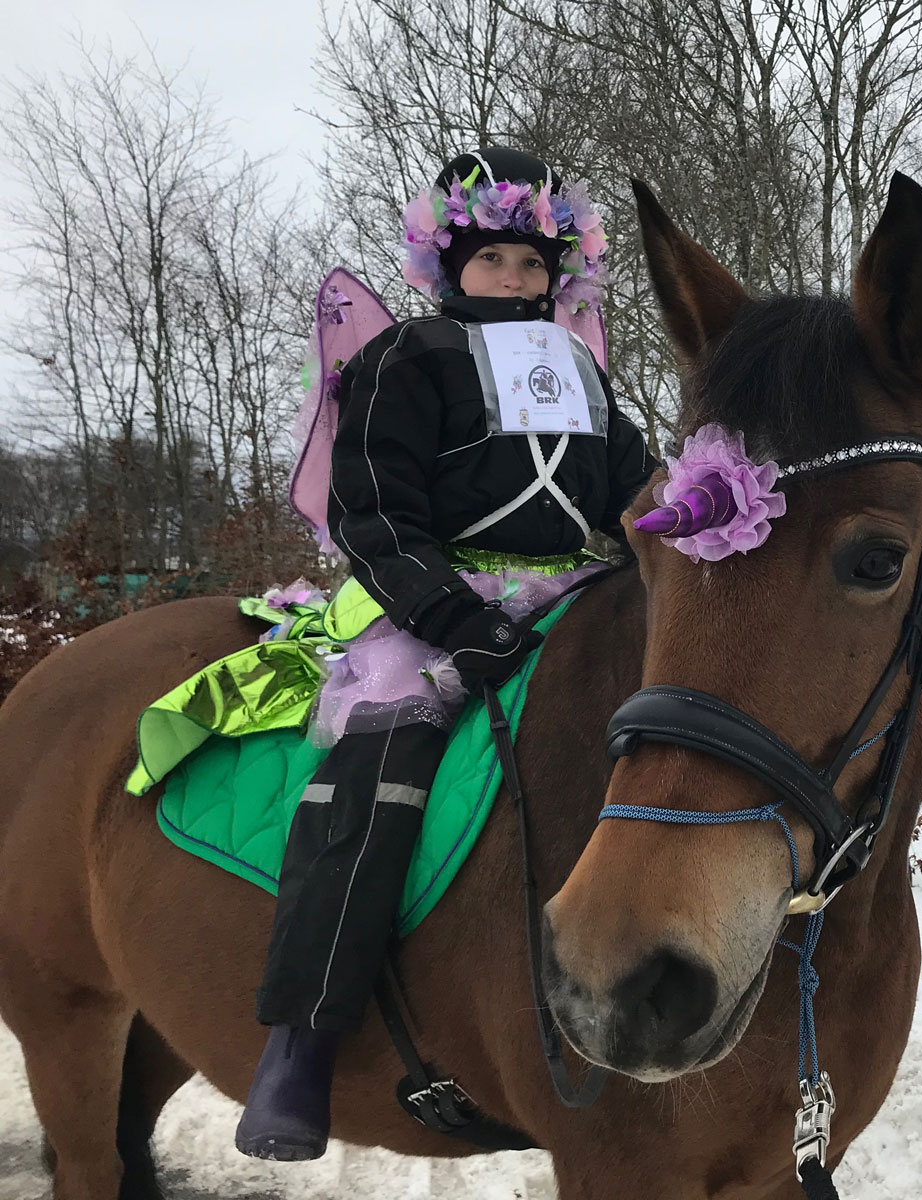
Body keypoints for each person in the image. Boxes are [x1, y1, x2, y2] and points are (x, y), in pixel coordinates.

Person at [234, 146, 655, 1161]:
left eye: (532, 265)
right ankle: (302, 1041)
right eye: (494, 260)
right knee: (379, 777)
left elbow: (633, 494)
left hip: (574, 595)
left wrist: (717, 503)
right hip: (433, 603)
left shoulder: (583, 373)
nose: (515, 280)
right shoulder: (409, 359)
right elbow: (372, 509)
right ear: (451, 263)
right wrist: (453, 615)